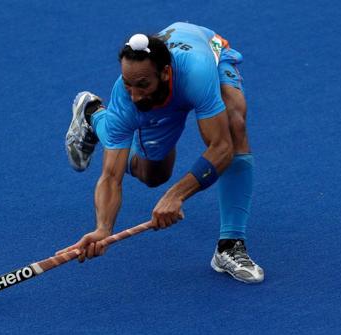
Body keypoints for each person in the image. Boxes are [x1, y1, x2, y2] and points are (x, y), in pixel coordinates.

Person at [60, 22, 263, 283]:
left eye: (141, 85)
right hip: (164, 92)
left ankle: (230, 245)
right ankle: (93, 114)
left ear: (165, 73)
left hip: (210, 54)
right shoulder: (128, 99)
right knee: (153, 175)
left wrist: (176, 195)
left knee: (235, 125)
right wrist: (103, 228)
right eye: (128, 85)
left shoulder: (196, 74)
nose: (134, 95)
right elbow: (111, 176)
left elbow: (222, 149)